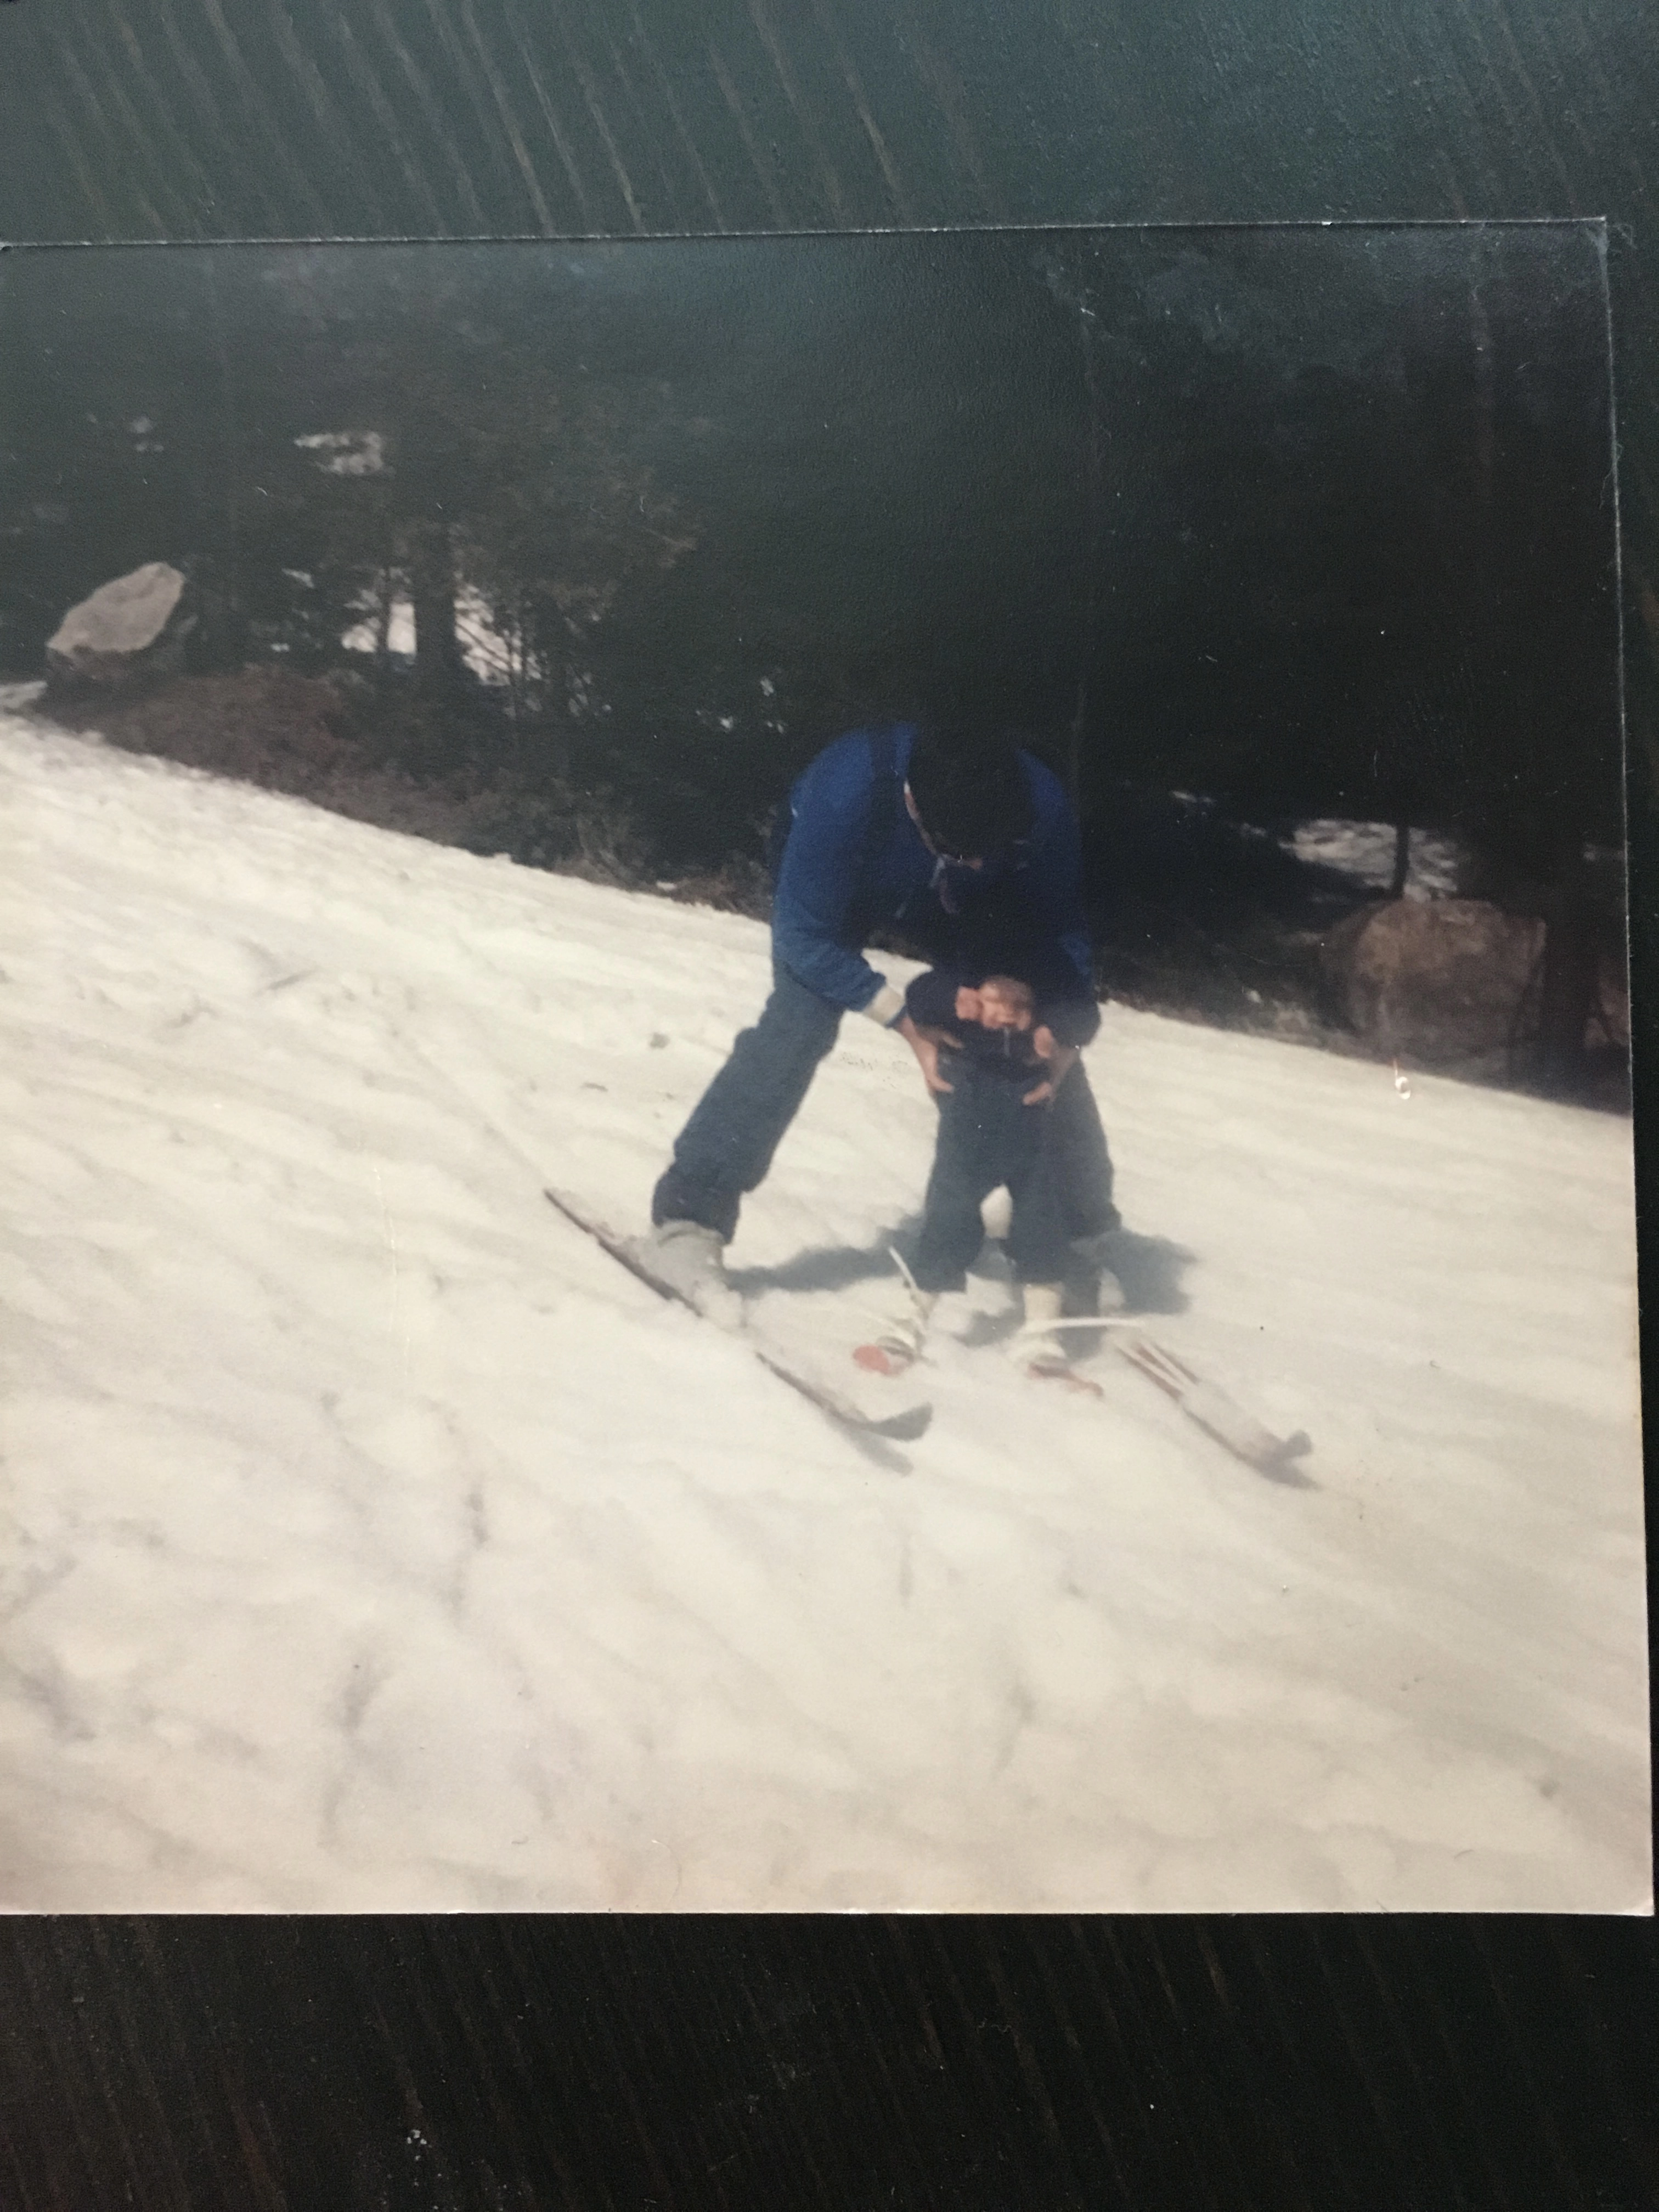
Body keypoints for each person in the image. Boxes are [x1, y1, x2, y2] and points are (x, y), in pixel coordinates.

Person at [647, 720, 1118, 1319]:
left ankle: (1077, 1240)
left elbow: (1062, 939)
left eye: (989, 851)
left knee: (1024, 1037)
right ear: (914, 803)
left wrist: (1062, 1033)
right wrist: (902, 1019)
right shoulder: (846, 792)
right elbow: (805, 940)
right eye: (958, 849)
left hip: (962, 907)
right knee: (800, 1022)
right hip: (847, 884)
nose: (976, 862)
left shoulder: (1039, 803)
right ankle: (690, 1219)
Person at [855, 969, 1091, 1379]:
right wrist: (958, 1000)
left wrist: (1050, 1024)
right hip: (969, 1093)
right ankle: (910, 1321)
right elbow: (922, 995)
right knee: (950, 1206)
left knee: (1041, 1213)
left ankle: (1042, 1331)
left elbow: (1085, 1013)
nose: (1002, 1014)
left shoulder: (1051, 953)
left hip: (1030, 1101)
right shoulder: (967, 947)